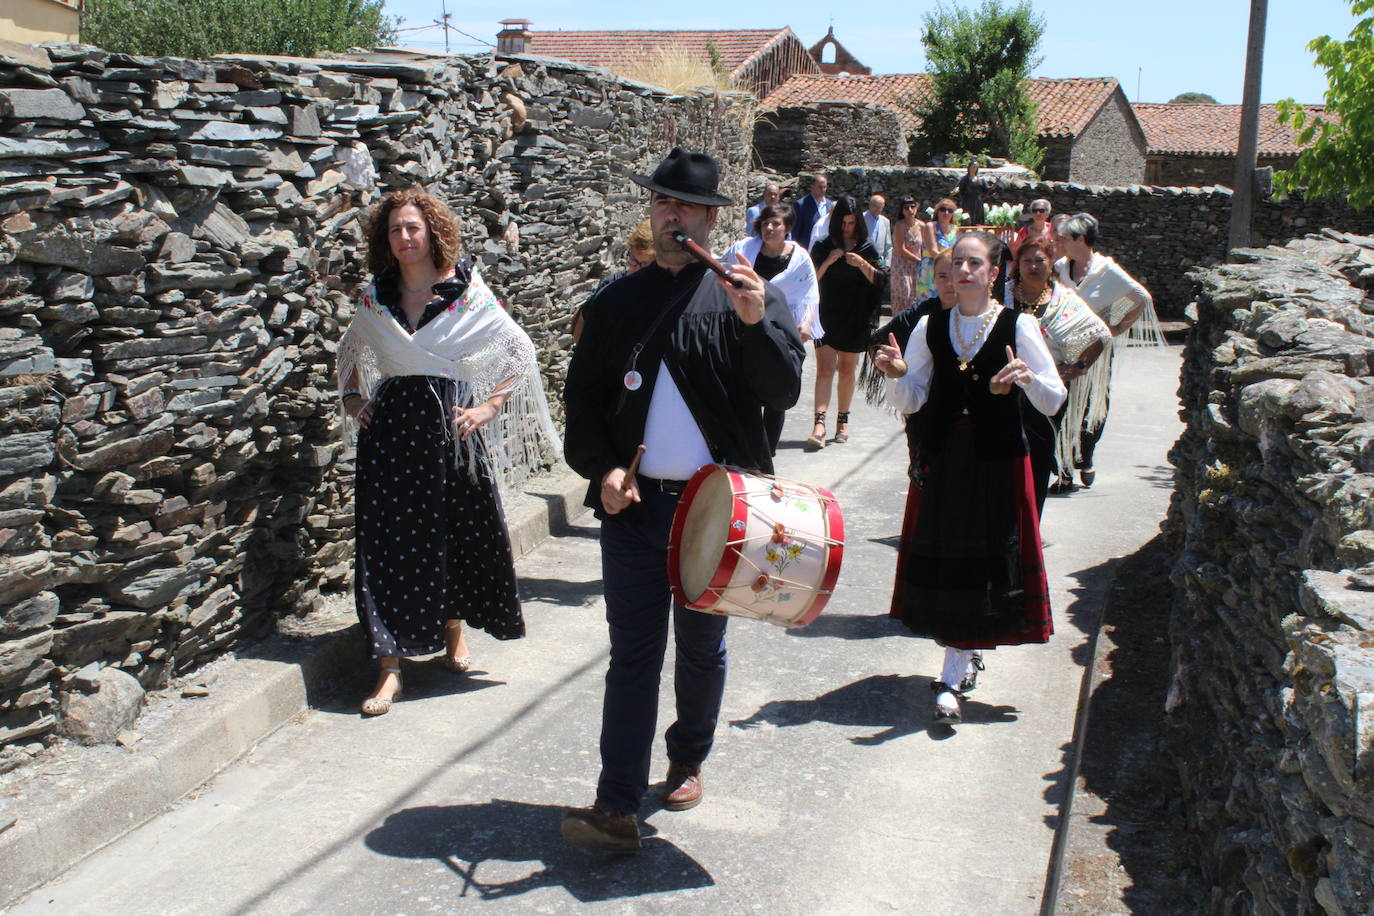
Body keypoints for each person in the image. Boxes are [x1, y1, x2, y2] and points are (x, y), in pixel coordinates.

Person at [561, 148, 805, 851]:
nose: (671, 217)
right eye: (662, 204)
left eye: (686, 208)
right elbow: (583, 401)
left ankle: (688, 757)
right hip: (636, 513)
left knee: (700, 649)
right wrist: (602, 468)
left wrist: (757, 322)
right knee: (633, 654)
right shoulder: (616, 301)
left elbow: (782, 393)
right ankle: (616, 805)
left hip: (718, 515)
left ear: (710, 218)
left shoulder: (741, 291)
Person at [336, 188, 561, 717]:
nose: (405, 237)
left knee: (451, 530)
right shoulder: (377, 295)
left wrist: (488, 407)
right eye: (394, 229)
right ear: (384, 239)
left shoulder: (464, 291)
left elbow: (519, 349)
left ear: (432, 231)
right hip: (390, 433)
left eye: (413, 227)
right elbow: (352, 349)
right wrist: (352, 396)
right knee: (386, 540)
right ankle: (389, 667)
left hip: (450, 430)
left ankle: (453, 629)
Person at [873, 230, 1066, 725]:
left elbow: (1054, 396)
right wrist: (898, 375)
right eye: (957, 263)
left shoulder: (1018, 326)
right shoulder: (930, 327)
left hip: (997, 460)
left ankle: (952, 675)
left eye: (974, 264)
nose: (963, 272)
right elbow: (914, 397)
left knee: (985, 565)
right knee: (953, 565)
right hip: (945, 459)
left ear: (994, 272)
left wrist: (1023, 378)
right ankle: (958, 661)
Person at [1054, 213, 1163, 489]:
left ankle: (1086, 458)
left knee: (1090, 405)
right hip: (1063, 347)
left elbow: (1141, 297)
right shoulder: (1060, 268)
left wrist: (1117, 327)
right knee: (1060, 406)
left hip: (1095, 352)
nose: (1060, 242)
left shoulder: (1107, 271)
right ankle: (1064, 469)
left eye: (1065, 238)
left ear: (1080, 239)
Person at [1011, 236, 1112, 512]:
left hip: (1045, 392)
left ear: (1050, 264)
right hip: (1004, 390)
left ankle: (1030, 524)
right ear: (1017, 264)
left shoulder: (1064, 298)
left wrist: (1075, 369)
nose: (1033, 266)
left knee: (1038, 462)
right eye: (1027, 260)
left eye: (1040, 260)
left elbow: (1100, 334)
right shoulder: (1002, 296)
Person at [725, 204, 821, 454]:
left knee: (778, 388)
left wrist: (808, 323)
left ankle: (768, 451)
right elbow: (720, 271)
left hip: (783, 329)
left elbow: (810, 295)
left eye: (776, 223)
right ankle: (749, 445)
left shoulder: (800, 260)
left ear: (787, 227)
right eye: (766, 222)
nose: (769, 228)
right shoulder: (743, 250)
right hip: (747, 325)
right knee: (747, 383)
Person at [807, 195, 885, 449]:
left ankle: (843, 420)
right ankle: (819, 423)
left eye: (851, 223)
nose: (847, 228)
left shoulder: (866, 248)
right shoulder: (822, 246)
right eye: (843, 222)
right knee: (825, 369)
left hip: (856, 314)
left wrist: (862, 264)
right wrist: (829, 260)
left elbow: (881, 279)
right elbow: (809, 280)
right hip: (827, 313)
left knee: (847, 370)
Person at [572, 219, 654, 343]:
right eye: (633, 260)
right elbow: (582, 318)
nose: (637, 270)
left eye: (644, 265)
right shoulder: (612, 286)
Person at [889, 197, 935, 312]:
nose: (910, 210)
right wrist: (918, 259)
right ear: (902, 211)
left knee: (916, 296)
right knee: (905, 295)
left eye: (912, 206)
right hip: (902, 266)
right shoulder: (900, 225)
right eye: (906, 208)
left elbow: (926, 246)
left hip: (916, 266)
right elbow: (901, 249)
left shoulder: (922, 226)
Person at [792, 173, 834, 251]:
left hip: (826, 251)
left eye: (824, 187)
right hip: (807, 250)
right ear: (812, 187)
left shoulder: (830, 205)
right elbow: (795, 232)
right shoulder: (801, 205)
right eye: (820, 187)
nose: (822, 190)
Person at [953, 161, 986, 226]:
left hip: (978, 201)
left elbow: (986, 189)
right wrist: (956, 190)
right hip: (968, 200)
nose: (974, 169)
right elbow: (959, 187)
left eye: (976, 167)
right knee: (968, 216)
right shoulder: (965, 179)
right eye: (973, 167)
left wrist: (993, 188)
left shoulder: (980, 179)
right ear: (969, 168)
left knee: (978, 216)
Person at [863, 193, 893, 267]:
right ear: (870, 205)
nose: (877, 209)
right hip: (863, 260)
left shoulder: (885, 221)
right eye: (875, 206)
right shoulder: (861, 218)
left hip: (880, 262)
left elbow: (888, 245)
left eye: (880, 207)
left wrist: (887, 264)